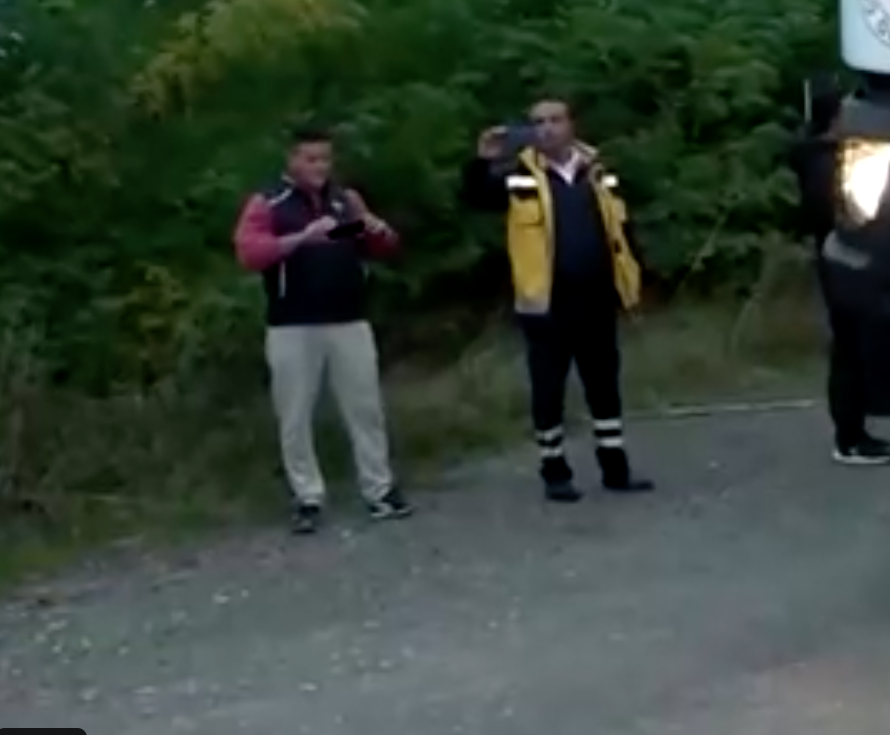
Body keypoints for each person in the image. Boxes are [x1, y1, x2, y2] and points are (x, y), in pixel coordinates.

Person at [460, 99, 656, 502]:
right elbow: (476, 199)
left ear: (572, 124)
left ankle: (615, 467)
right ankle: (554, 471)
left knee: (604, 383)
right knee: (548, 387)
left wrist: (634, 282)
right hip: (546, 300)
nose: (547, 128)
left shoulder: (599, 170)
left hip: (599, 295)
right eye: (538, 122)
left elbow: (623, 228)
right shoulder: (518, 174)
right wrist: (481, 162)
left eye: (555, 120)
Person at [231, 126, 416, 535]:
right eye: (310, 159)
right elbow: (250, 251)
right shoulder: (270, 203)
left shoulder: (343, 200)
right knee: (295, 415)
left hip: (348, 318)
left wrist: (376, 230)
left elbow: (364, 243)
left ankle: (379, 489)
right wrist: (299, 238)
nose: (319, 167)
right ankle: (307, 496)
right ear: (292, 161)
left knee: (365, 408)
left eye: (325, 159)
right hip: (293, 324)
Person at [788, 76, 890, 467]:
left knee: (861, 344)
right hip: (838, 258)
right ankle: (849, 437)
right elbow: (833, 212)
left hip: (842, 255)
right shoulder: (823, 161)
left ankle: (862, 424)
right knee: (848, 348)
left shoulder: (826, 156)